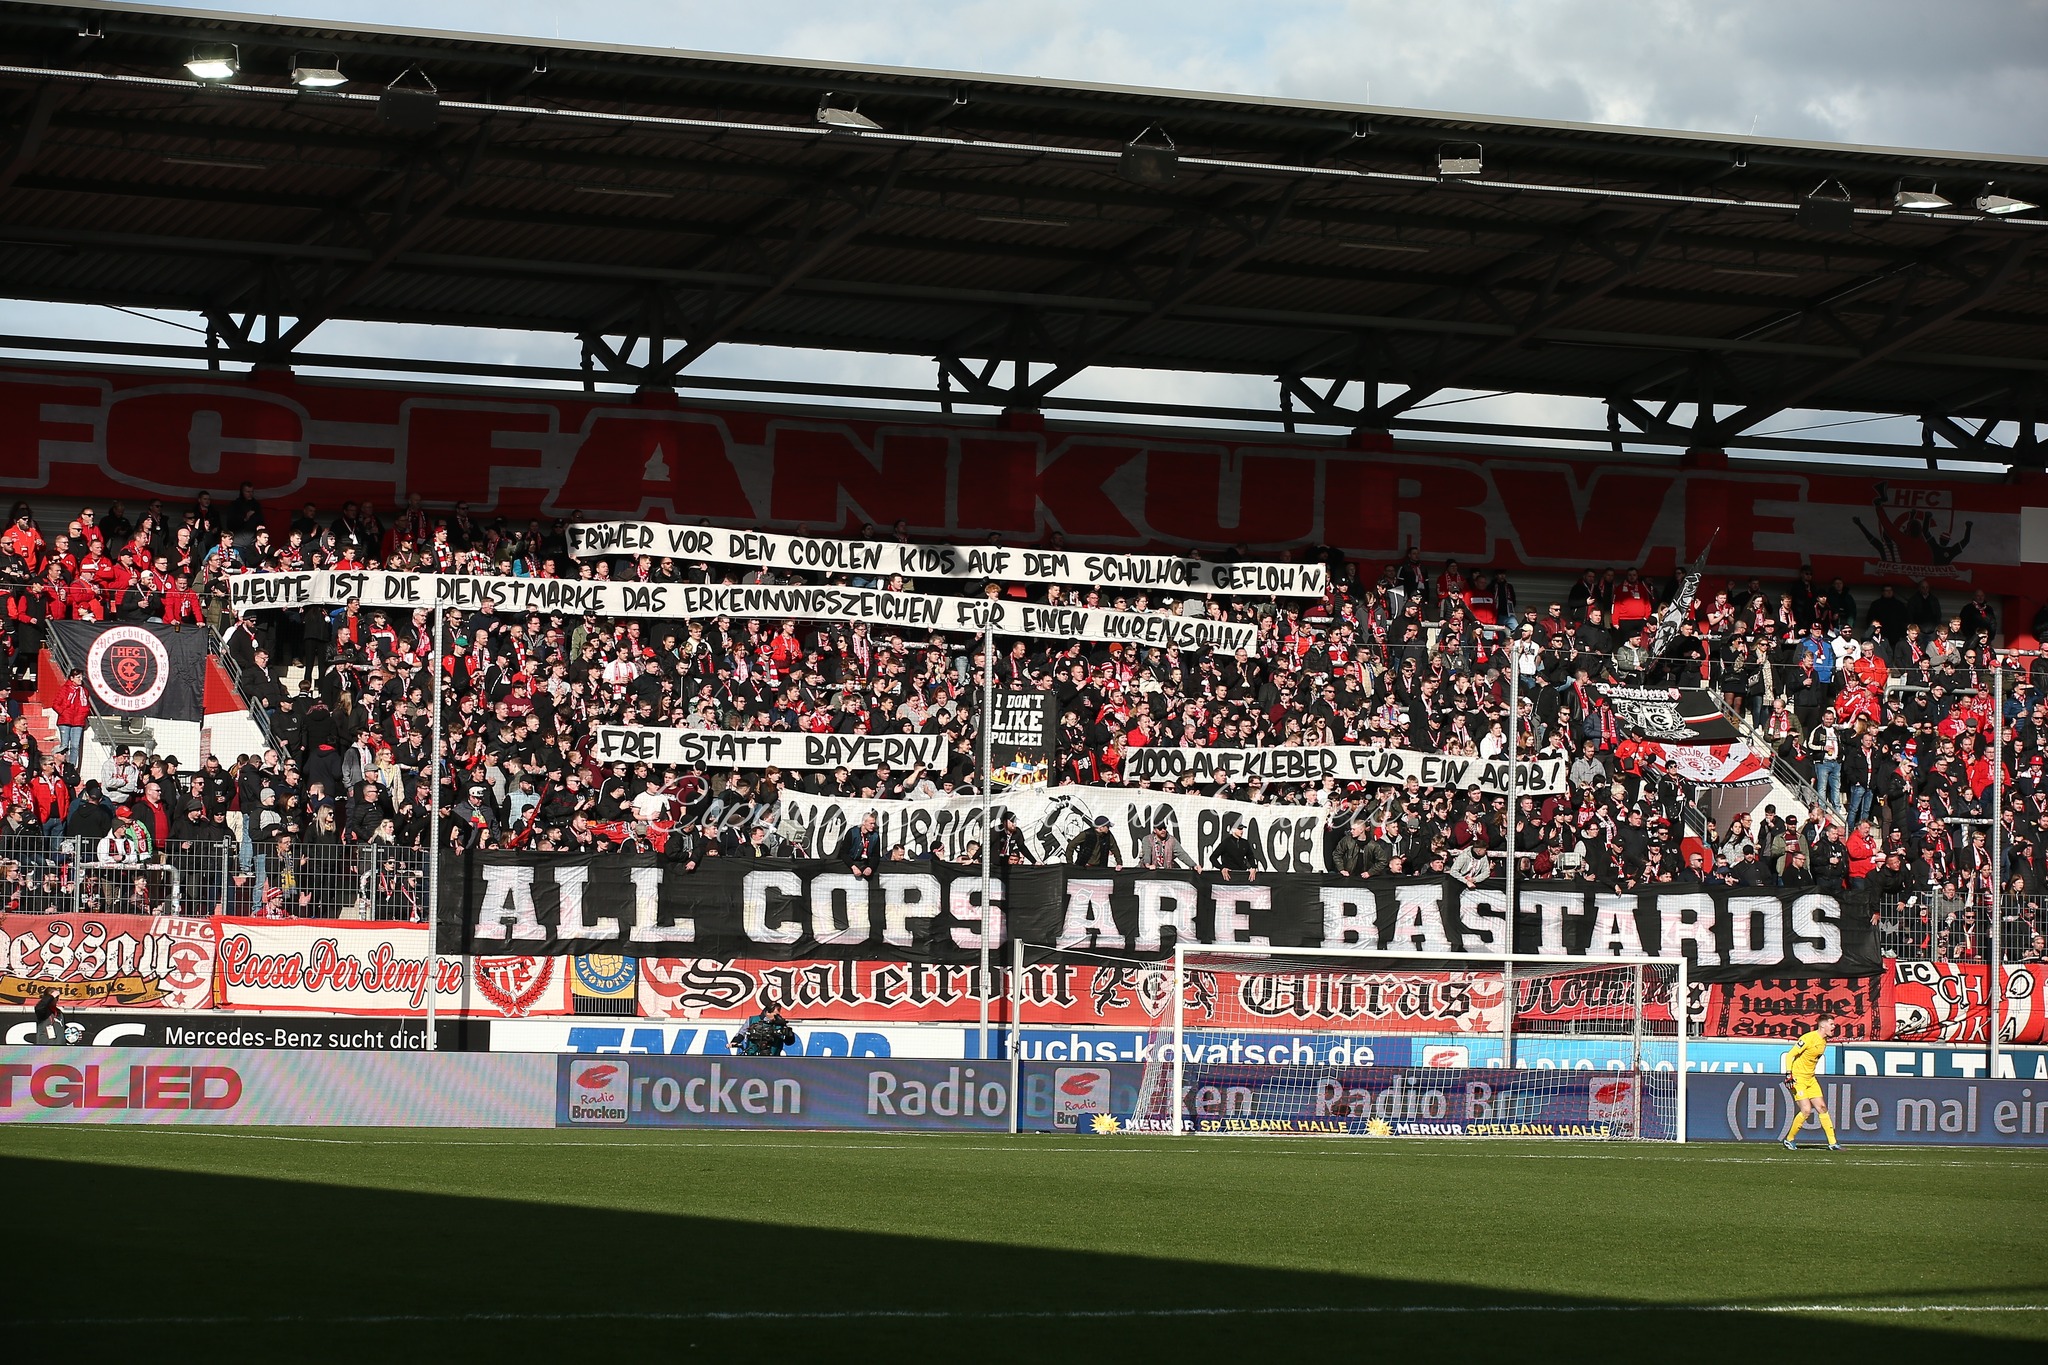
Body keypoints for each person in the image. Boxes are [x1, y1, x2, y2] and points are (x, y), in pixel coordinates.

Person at [1780, 1017, 1842, 1151]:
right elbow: (1790, 1055)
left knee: (1822, 1108)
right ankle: (1789, 1139)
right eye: (1831, 1024)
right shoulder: (1808, 1038)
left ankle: (1833, 1143)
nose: (1834, 1027)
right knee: (1806, 1110)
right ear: (1823, 1026)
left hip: (1811, 1079)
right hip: (1798, 1078)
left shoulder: (1824, 1041)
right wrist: (1789, 1074)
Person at [732, 1004, 797, 1056]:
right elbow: (741, 1032)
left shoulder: (780, 1024)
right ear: (767, 1013)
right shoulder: (752, 1020)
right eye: (775, 1015)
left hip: (773, 1058)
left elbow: (789, 1042)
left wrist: (789, 1035)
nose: (777, 1017)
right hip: (752, 1055)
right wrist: (735, 1041)